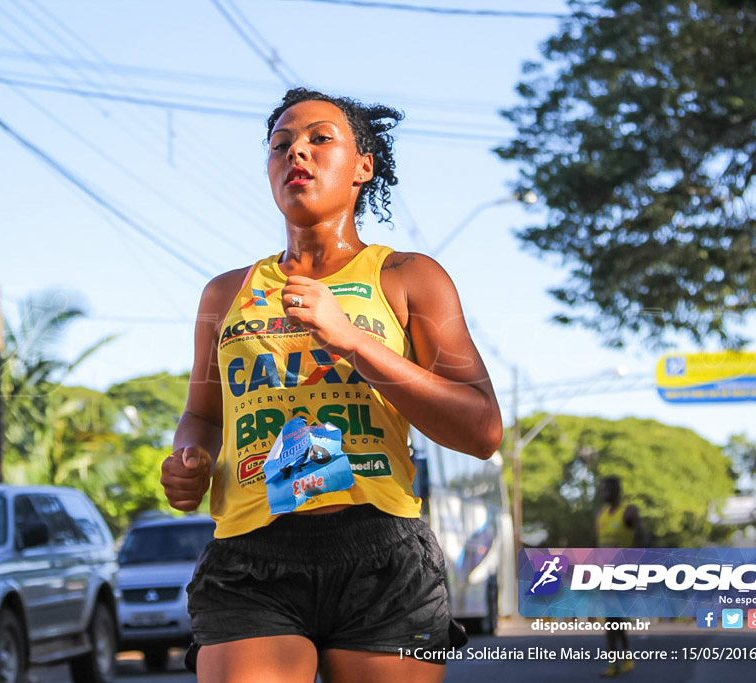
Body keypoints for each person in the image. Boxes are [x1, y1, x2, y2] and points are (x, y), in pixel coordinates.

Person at [160, 87, 503, 683]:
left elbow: (482, 430)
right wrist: (188, 458)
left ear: (363, 167)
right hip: (251, 555)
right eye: (281, 144)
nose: (298, 152)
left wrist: (353, 341)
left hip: (382, 554)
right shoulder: (225, 294)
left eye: (321, 139)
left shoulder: (407, 277)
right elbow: (204, 416)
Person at [595, 475, 647, 678]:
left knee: (612, 619)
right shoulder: (601, 515)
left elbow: (644, 535)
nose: (604, 493)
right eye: (602, 490)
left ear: (617, 491)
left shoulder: (628, 512)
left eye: (607, 490)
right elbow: (596, 544)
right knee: (614, 619)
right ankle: (623, 660)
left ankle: (616, 663)